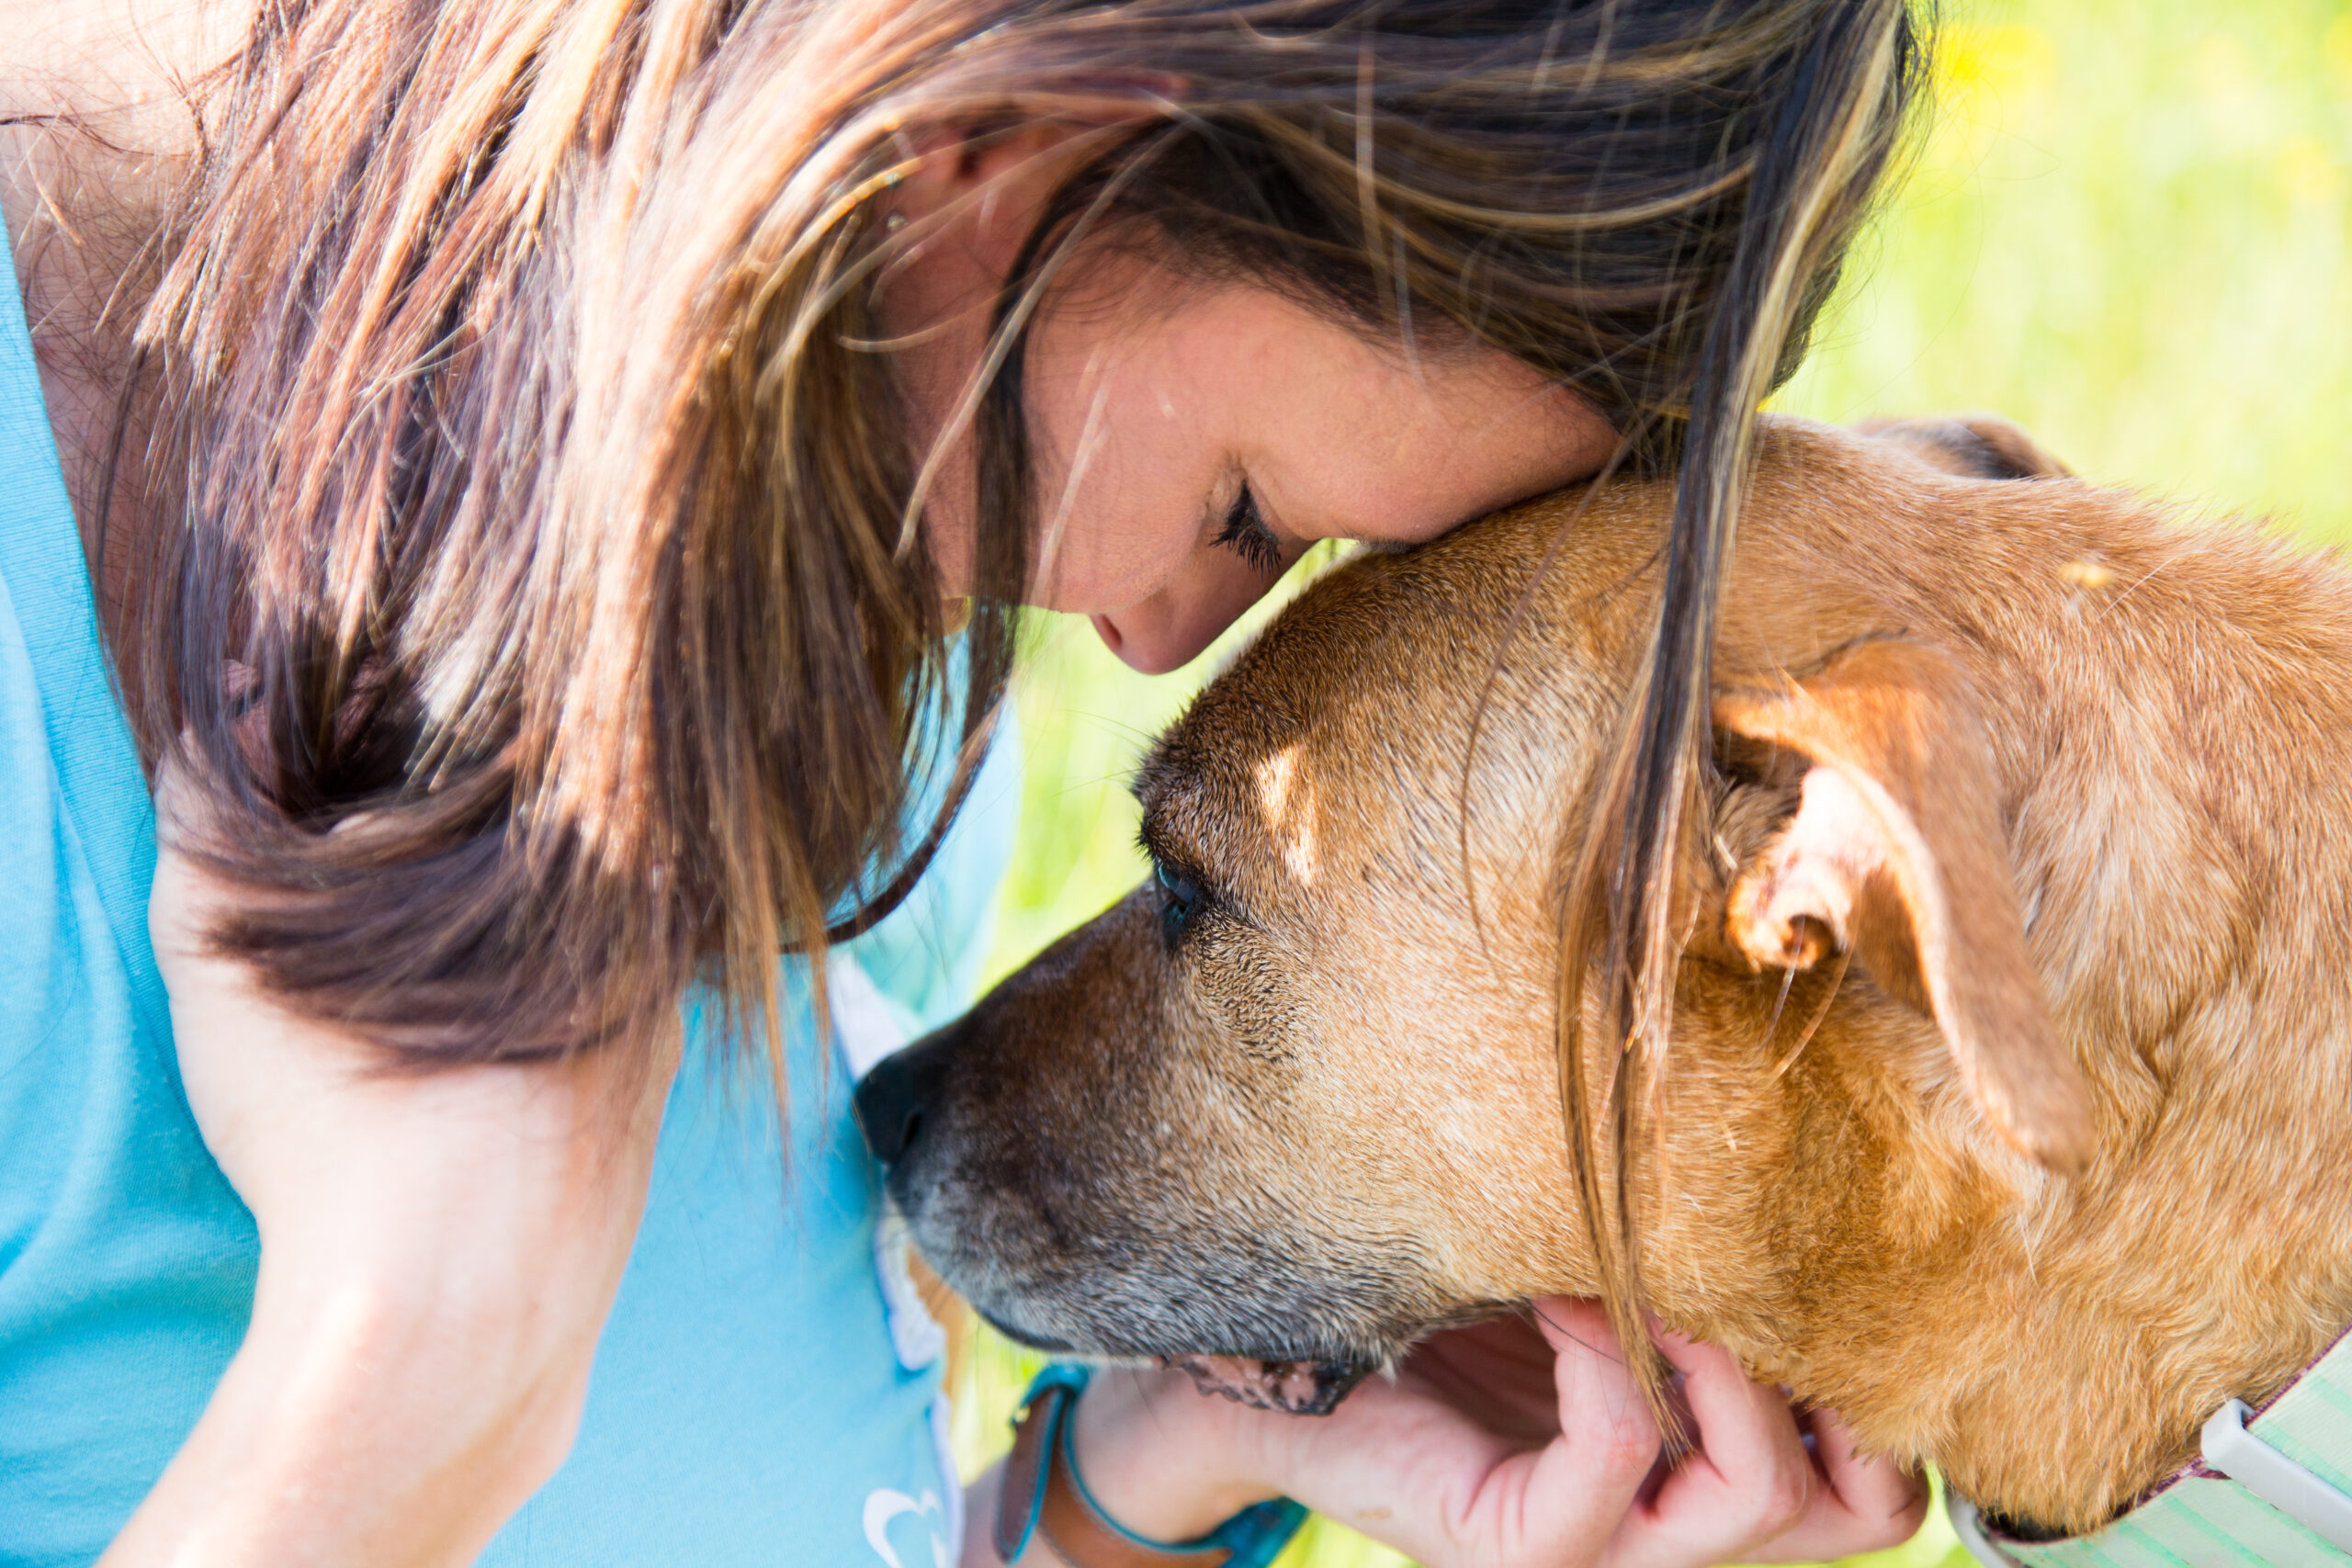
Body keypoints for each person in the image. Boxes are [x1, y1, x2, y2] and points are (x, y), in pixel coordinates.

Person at [0, 0, 1935, 1563]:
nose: (1168, 647)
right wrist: (402, 1394)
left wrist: (1137, 1473)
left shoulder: (869, 632)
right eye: (1242, 509)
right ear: (998, 131)